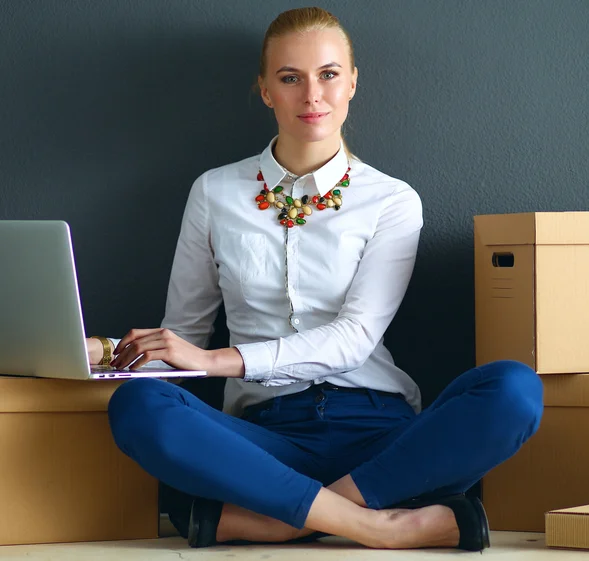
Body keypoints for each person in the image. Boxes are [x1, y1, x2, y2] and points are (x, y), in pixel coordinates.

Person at [89, 7, 543, 552]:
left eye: (328, 74)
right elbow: (178, 337)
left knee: (514, 389)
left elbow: (354, 338)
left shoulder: (392, 200)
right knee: (140, 408)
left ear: (352, 83)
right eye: (290, 78)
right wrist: (101, 349)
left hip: (383, 437)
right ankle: (378, 525)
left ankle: (281, 519)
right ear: (264, 91)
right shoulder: (214, 192)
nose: (312, 95)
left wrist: (216, 360)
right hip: (264, 441)